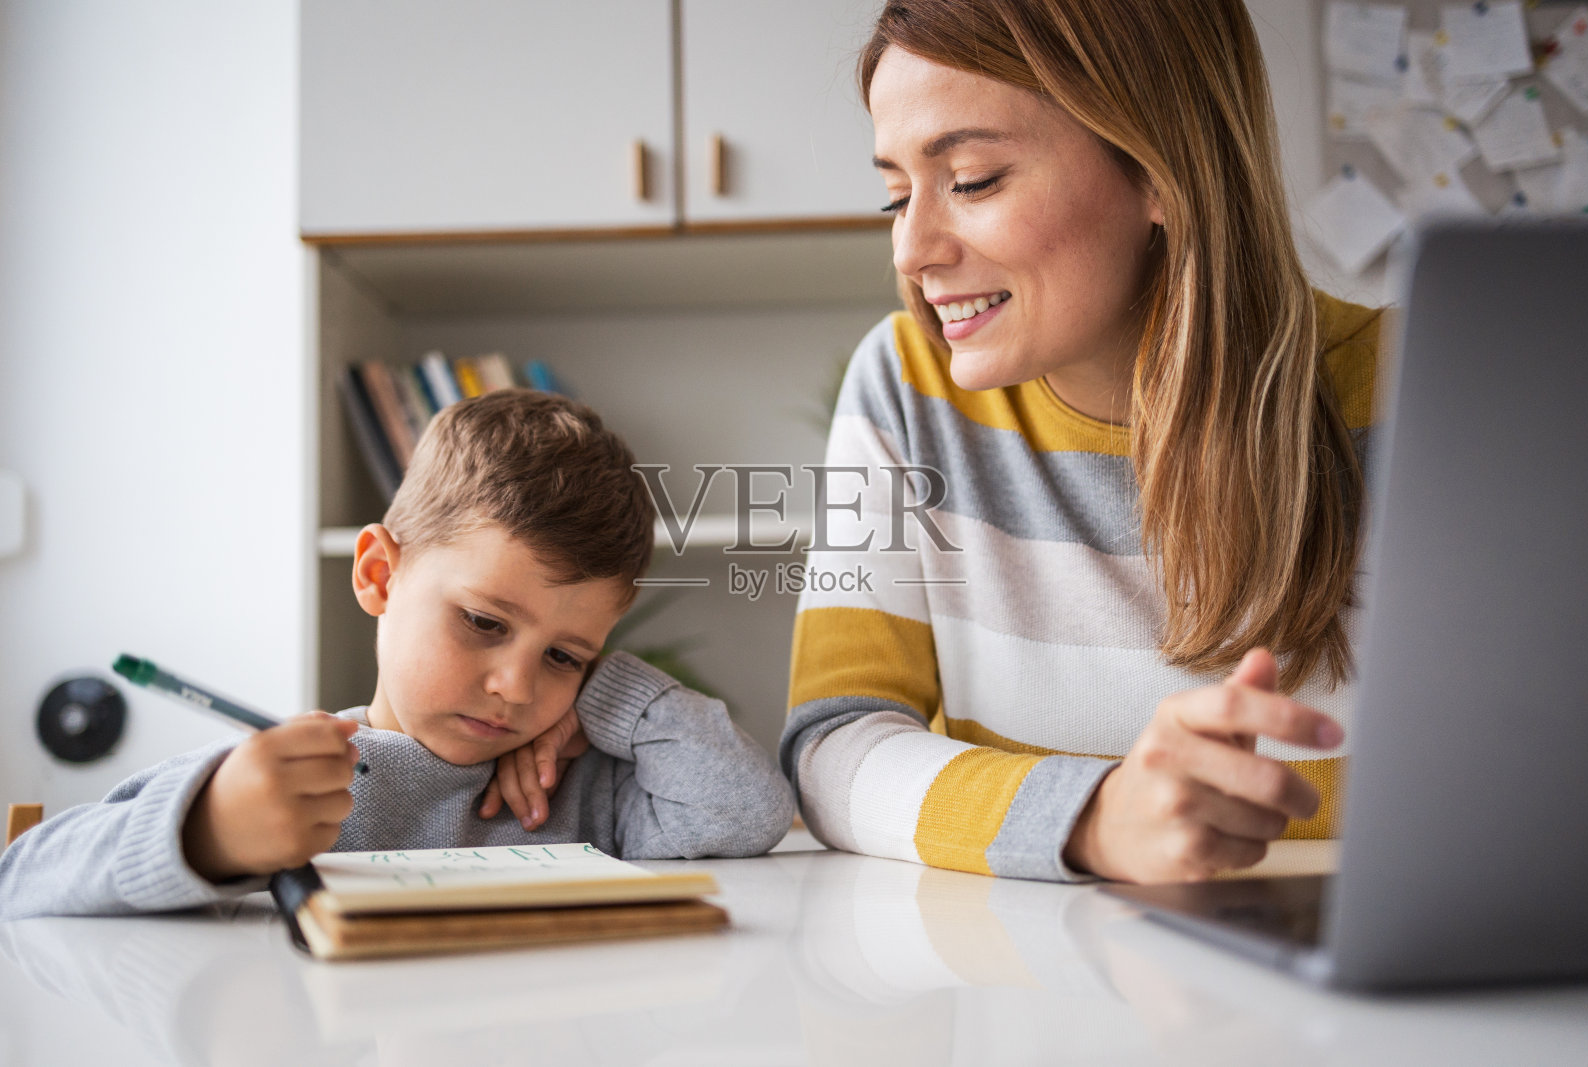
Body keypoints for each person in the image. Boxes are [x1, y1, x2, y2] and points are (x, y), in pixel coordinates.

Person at [780, 0, 1381, 885]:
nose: (912, 249)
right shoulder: (908, 383)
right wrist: (1093, 817)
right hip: (1034, 989)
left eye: (973, 179)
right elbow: (835, 746)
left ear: (1162, 171)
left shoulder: (1415, 383)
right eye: (896, 194)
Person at [0, 390, 793, 919]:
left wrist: (600, 696)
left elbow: (746, 809)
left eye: (564, 655)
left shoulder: (583, 793)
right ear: (380, 573)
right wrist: (209, 831)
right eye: (484, 621)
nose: (514, 687)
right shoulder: (284, 783)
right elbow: (22, 881)